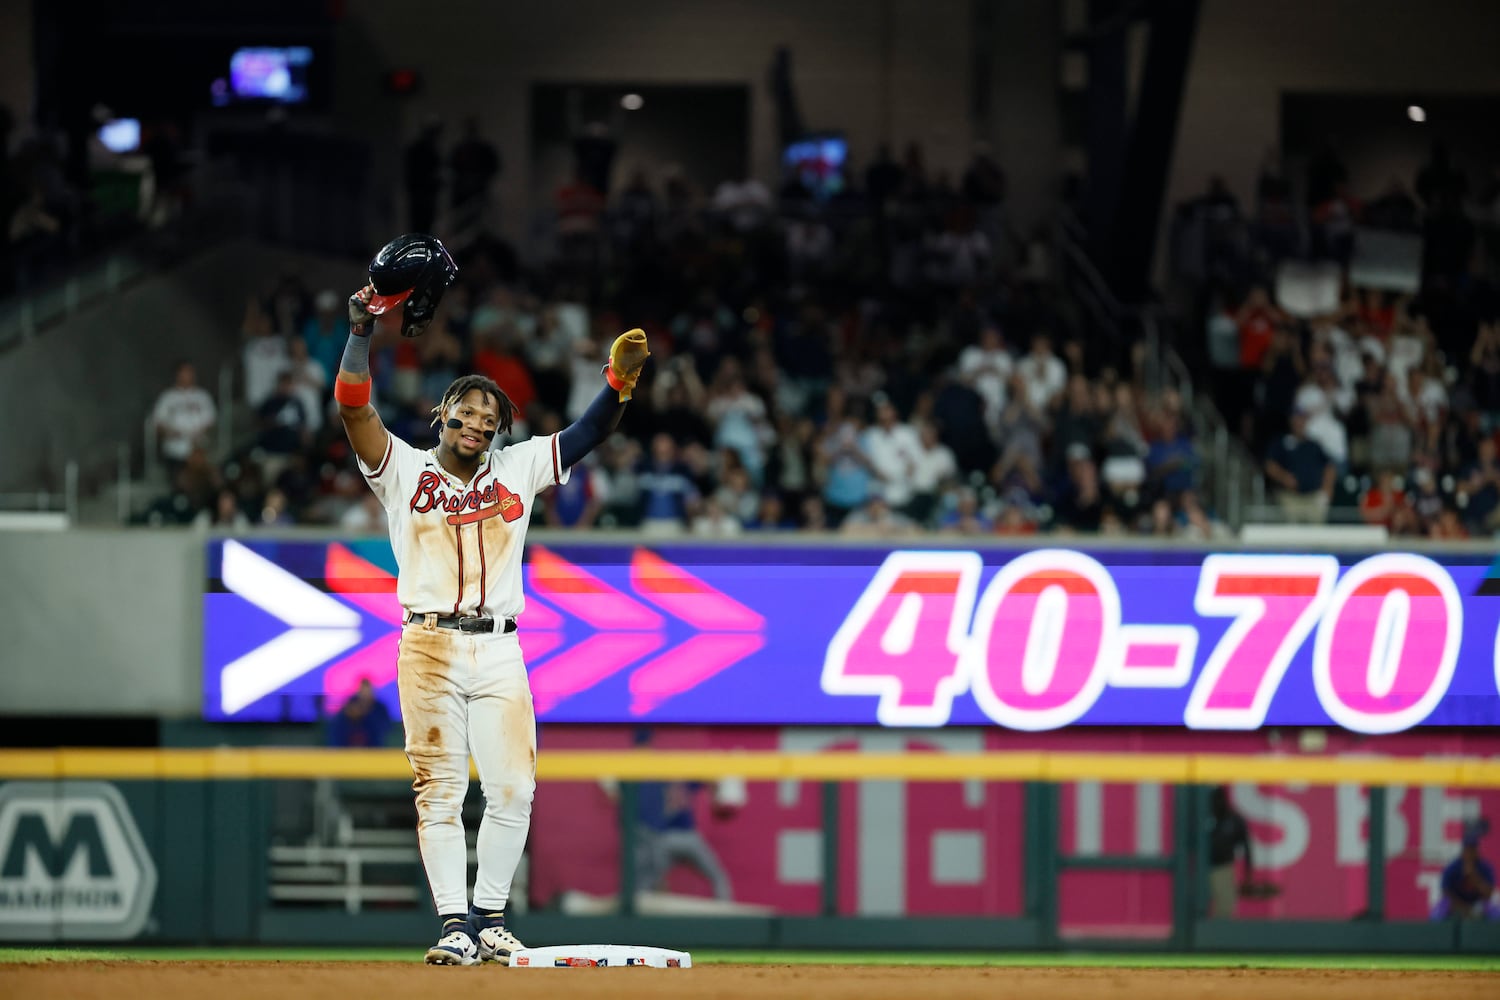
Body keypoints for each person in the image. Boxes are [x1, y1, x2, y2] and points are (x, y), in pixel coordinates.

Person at [334, 233, 651, 966]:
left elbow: (591, 430)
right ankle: (452, 926)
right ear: (444, 412)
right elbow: (354, 410)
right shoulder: (403, 469)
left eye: (491, 417)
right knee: (438, 787)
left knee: (513, 786)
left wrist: (618, 382)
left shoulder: (518, 465)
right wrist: (360, 332)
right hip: (428, 641)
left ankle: (489, 919)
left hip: (500, 644)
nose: (480, 421)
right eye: (469, 410)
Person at [1431, 820, 1499, 921]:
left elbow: (1489, 894)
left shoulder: (1485, 867)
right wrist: (1463, 908)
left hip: (1478, 904)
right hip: (1457, 904)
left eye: (1473, 849)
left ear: (1477, 850)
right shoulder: (1453, 868)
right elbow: (1446, 893)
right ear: (1463, 850)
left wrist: (1473, 876)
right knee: (1437, 913)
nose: (1470, 853)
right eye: (1467, 849)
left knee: (1496, 913)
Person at [1206, 786, 1253, 918]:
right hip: (1199, 869)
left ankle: (1219, 935)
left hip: (1223, 867)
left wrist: (1248, 871)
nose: (1217, 802)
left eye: (1219, 798)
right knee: (1198, 908)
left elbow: (1246, 846)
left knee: (1225, 907)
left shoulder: (1233, 819)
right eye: (1214, 799)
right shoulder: (1202, 818)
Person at [326, 678, 393, 748]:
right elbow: (339, 720)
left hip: (373, 744)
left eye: (368, 690)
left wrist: (366, 712)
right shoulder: (351, 704)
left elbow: (386, 726)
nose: (365, 693)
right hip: (349, 741)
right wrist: (352, 714)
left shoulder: (380, 708)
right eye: (363, 690)